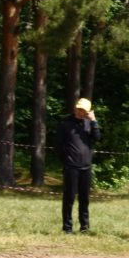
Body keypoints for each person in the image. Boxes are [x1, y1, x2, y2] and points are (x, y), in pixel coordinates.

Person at [57, 98, 100, 233]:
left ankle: (84, 227)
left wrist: (94, 121)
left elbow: (97, 138)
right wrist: (65, 160)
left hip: (86, 166)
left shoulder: (89, 123)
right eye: (79, 109)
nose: (80, 112)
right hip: (71, 166)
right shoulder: (65, 123)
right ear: (75, 108)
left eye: (83, 110)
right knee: (69, 197)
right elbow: (58, 145)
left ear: (87, 111)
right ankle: (67, 227)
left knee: (84, 198)